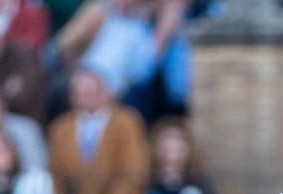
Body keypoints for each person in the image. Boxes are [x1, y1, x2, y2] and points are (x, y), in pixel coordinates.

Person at [47, 67, 149, 194]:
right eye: (79, 93)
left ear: (105, 93)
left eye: (91, 92)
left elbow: (133, 173)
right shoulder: (60, 129)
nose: (84, 98)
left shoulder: (127, 122)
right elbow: (56, 175)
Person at [55, 0, 191, 121]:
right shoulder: (99, 11)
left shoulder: (143, 24)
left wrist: (163, 30)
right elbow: (62, 48)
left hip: (118, 89)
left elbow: (141, 70)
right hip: (81, 76)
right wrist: (84, 29)